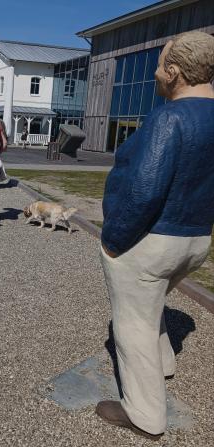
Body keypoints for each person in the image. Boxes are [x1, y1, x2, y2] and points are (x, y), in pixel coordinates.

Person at [97, 31, 214, 440]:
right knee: (154, 299)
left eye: (161, 64)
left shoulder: (170, 117)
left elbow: (146, 188)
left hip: (151, 239)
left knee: (132, 323)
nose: (155, 72)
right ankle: (164, 362)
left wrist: (113, 239)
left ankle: (145, 413)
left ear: (176, 72)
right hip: (196, 238)